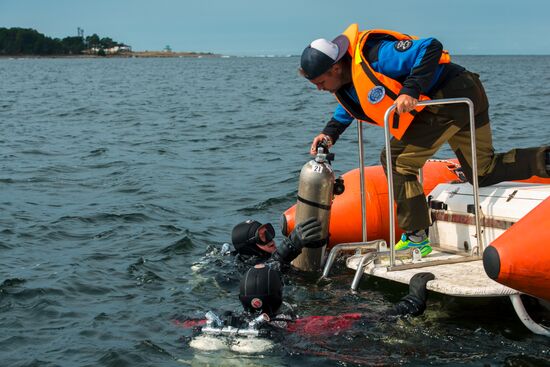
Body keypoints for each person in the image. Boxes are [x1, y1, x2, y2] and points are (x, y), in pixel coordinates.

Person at [299, 23, 550, 256]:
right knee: (482, 171)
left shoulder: (378, 54)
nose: (320, 88)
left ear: (335, 67)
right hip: (466, 95)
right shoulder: (347, 81)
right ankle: (546, 160)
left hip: (453, 94)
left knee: (396, 160)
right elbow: (352, 106)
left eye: (321, 82)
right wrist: (329, 133)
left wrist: (411, 90)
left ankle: (416, 238)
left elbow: (431, 46)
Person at [231, 217, 323, 270]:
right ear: (250, 247)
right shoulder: (246, 272)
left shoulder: (274, 260)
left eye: (268, 233)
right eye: (262, 237)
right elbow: (266, 270)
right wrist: (290, 246)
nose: (271, 241)